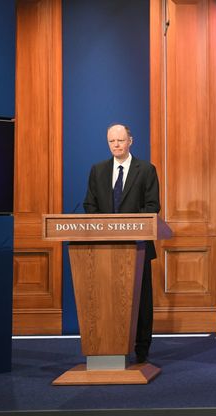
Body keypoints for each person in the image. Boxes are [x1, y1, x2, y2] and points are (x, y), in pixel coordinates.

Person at [83, 124, 161, 364]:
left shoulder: (146, 170)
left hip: (137, 247)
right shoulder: (98, 170)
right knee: (106, 299)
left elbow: (152, 207)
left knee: (140, 301)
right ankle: (108, 346)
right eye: (111, 141)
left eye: (120, 140)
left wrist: (125, 224)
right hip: (105, 249)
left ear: (130, 141)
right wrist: (107, 227)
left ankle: (142, 348)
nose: (116, 145)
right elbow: (89, 205)